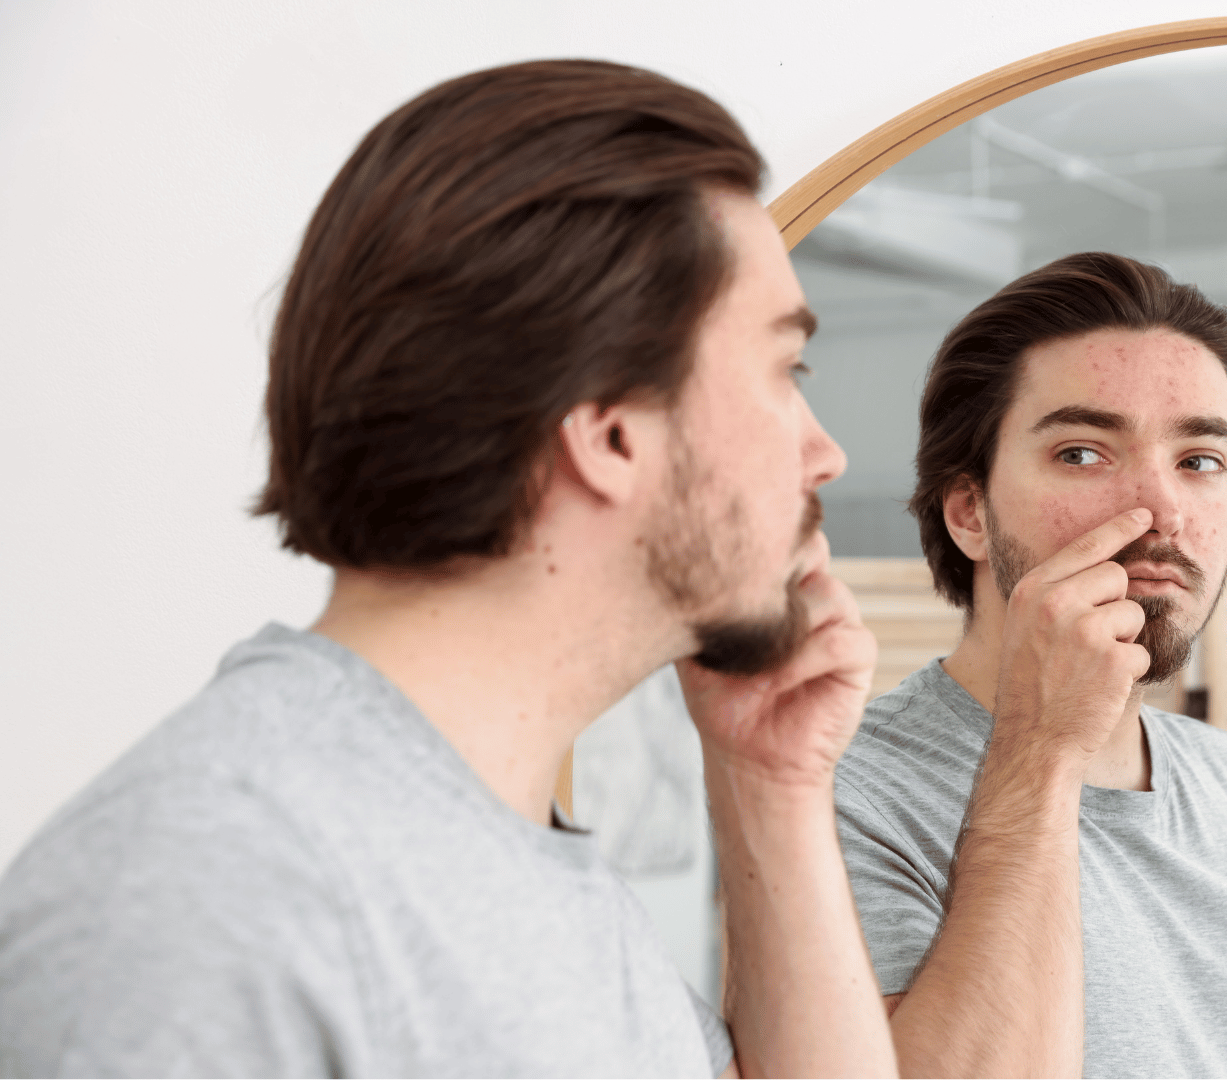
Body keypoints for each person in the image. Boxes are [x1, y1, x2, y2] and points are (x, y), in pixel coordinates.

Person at [0, 60, 897, 1078]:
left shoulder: (525, 870)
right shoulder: (210, 895)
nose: (825, 454)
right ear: (608, 434)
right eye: (787, 371)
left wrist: (775, 787)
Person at [834, 252, 1227, 1078]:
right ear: (970, 513)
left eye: (1199, 461)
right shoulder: (851, 797)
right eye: (1083, 453)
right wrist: (1043, 746)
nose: (1161, 510)